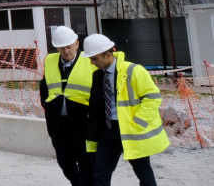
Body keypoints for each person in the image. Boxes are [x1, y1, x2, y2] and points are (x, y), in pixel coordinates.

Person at [82, 33, 169, 186]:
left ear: (107, 54)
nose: (92, 63)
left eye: (94, 59)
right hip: (108, 131)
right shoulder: (97, 75)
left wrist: (138, 122)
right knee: (100, 172)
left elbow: (153, 97)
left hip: (131, 130)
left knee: (144, 173)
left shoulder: (133, 70)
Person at [39, 25, 96, 186]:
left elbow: (97, 91)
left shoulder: (89, 61)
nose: (65, 51)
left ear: (77, 44)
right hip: (58, 123)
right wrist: (47, 105)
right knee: (65, 162)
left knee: (86, 164)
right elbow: (44, 86)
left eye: (68, 46)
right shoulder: (50, 61)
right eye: (61, 47)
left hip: (83, 122)